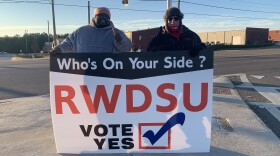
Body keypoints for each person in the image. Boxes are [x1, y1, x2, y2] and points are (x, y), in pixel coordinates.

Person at [51, 7, 132, 53]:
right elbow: (68, 43)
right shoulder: (81, 31)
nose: (103, 19)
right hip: (83, 72)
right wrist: (58, 49)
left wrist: (119, 41)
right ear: (94, 17)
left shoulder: (117, 33)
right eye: (100, 16)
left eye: (106, 17)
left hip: (108, 72)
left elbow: (127, 49)